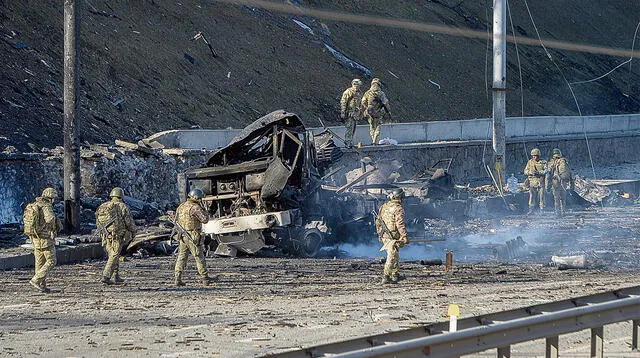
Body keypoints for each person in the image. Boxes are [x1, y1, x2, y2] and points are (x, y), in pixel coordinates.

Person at [24, 187, 62, 293]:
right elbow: (50, 218)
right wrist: (52, 228)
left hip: (35, 238)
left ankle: (42, 286)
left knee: (39, 262)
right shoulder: (46, 206)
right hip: (45, 238)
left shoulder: (35, 205)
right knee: (51, 260)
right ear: (50, 198)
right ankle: (36, 280)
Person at [173, 188, 214, 286]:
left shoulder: (181, 206)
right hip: (193, 235)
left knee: (181, 257)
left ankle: (177, 277)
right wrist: (204, 209)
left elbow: (176, 220)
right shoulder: (195, 207)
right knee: (199, 256)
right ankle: (205, 278)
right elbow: (205, 220)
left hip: (182, 235)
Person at [96, 187, 136, 284]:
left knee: (113, 254)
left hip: (106, 234)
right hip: (117, 234)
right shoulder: (122, 206)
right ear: (121, 196)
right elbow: (129, 222)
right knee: (114, 255)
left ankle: (116, 275)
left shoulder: (103, 206)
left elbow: (97, 220)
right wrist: (133, 231)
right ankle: (106, 276)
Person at [376, 188, 409, 284]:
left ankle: (395, 274)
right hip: (392, 235)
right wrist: (404, 236)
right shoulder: (398, 208)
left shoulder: (384, 206)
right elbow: (400, 224)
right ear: (401, 198)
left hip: (384, 234)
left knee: (394, 253)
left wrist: (380, 233)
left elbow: (378, 221)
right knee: (392, 255)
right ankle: (386, 276)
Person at [361, 78, 391, 145]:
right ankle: (374, 140)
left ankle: (373, 140)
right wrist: (388, 111)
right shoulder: (381, 93)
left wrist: (366, 108)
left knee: (371, 126)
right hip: (378, 111)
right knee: (377, 125)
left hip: (370, 111)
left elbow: (363, 101)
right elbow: (386, 102)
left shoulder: (367, 92)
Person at [546, 148, 574, 217]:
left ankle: (558, 213)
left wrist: (547, 186)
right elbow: (570, 174)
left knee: (556, 198)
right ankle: (563, 212)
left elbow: (548, 175)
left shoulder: (551, 163)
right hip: (564, 182)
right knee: (563, 198)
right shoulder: (565, 162)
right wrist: (572, 185)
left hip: (555, 182)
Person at [339, 78, 363, 147]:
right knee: (349, 128)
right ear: (353, 84)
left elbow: (360, 103)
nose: (357, 86)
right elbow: (343, 102)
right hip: (349, 113)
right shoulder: (348, 92)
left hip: (356, 114)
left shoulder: (359, 92)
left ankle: (350, 141)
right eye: (356, 85)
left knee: (353, 129)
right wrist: (343, 112)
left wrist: (361, 112)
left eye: (358, 85)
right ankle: (347, 142)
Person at [523, 148, 547, 214]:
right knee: (531, 196)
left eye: (536, 155)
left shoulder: (543, 162)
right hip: (532, 181)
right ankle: (531, 209)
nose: (534, 157)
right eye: (533, 155)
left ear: (539, 155)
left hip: (540, 181)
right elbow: (525, 171)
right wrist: (530, 172)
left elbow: (546, 171)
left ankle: (542, 210)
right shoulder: (530, 162)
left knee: (541, 197)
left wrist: (539, 172)